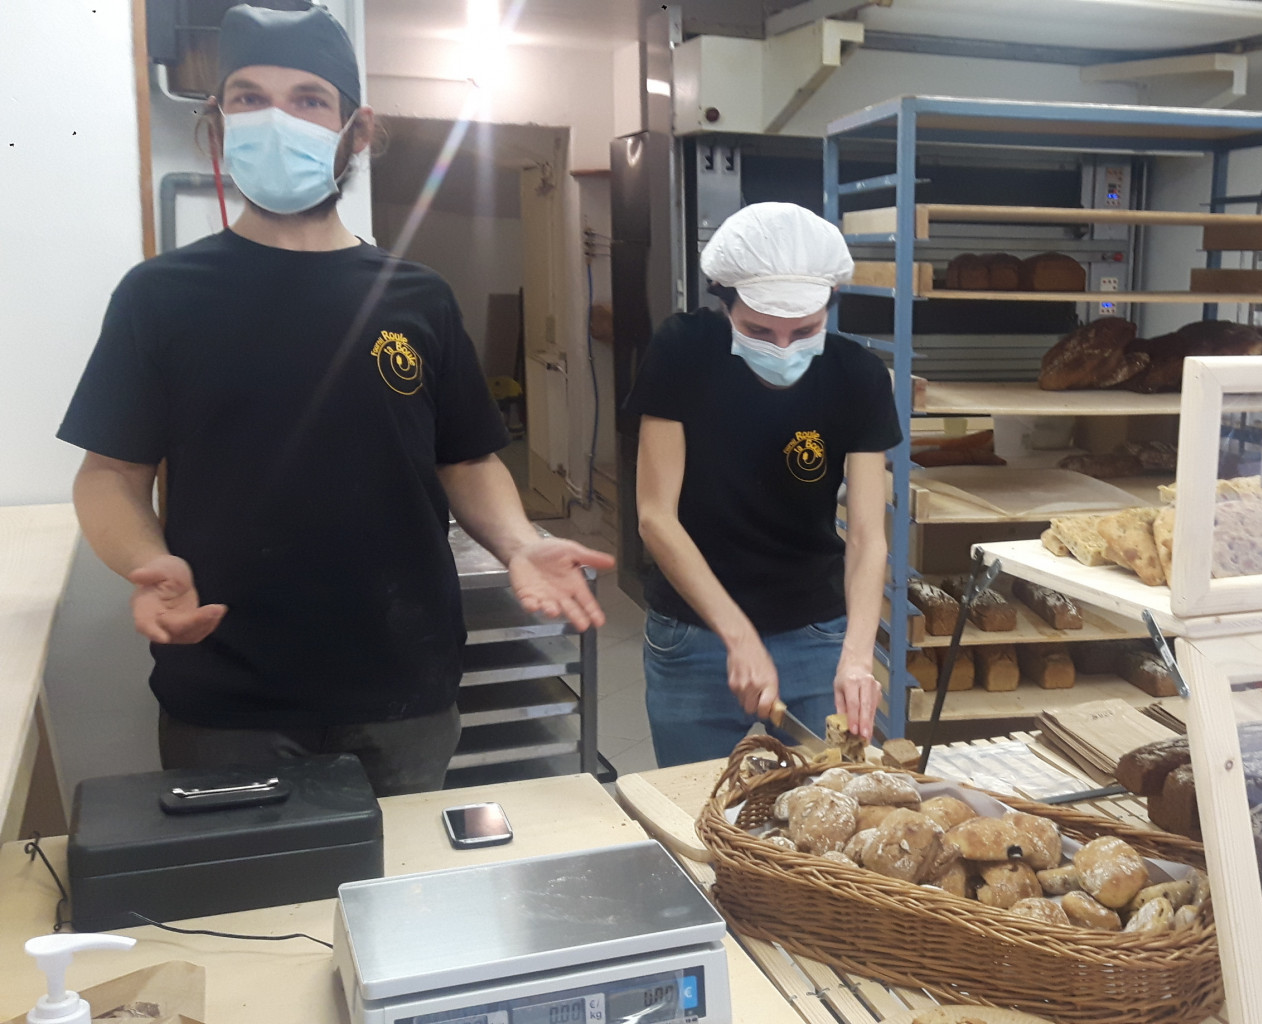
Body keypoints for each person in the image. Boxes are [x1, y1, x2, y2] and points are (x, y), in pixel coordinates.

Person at [57, 5, 613, 796]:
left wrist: (519, 544)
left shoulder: (417, 298)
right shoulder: (160, 297)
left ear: (357, 129)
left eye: (309, 100)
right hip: (228, 697)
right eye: (248, 98)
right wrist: (148, 563)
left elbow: (465, 458)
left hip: (402, 686)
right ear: (218, 124)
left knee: (397, 898)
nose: (275, 120)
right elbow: (108, 473)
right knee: (255, 913)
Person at [628, 202, 899, 767]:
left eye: (804, 331)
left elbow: (869, 535)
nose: (782, 349)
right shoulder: (682, 352)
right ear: (724, 300)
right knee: (695, 812)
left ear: (830, 306)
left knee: (825, 818)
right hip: (694, 635)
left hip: (814, 634)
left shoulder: (858, 377)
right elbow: (656, 515)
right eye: (757, 330)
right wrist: (738, 634)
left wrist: (856, 655)